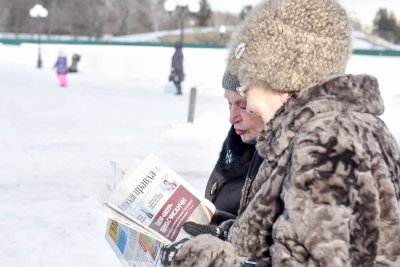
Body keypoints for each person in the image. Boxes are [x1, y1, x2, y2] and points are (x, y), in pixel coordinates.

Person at [162, 0, 400, 266]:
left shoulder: (329, 145)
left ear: (278, 76)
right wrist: (227, 235)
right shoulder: (303, 136)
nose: (246, 103)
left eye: (248, 83)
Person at [205, 68, 264, 225]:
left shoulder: (287, 160)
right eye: (229, 103)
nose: (232, 118)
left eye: (243, 105)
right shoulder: (238, 142)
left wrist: (222, 230)